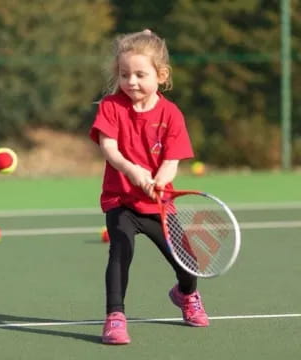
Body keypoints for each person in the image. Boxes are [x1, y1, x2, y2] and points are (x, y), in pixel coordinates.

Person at [89, 29, 209, 345]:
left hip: (158, 204)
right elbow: (109, 149)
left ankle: (186, 294)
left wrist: (160, 180)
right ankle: (115, 317)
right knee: (120, 252)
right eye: (125, 74)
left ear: (161, 74)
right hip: (121, 200)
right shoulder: (111, 107)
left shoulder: (171, 114)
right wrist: (135, 171)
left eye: (140, 74)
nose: (132, 82)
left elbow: (173, 159)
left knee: (188, 263)